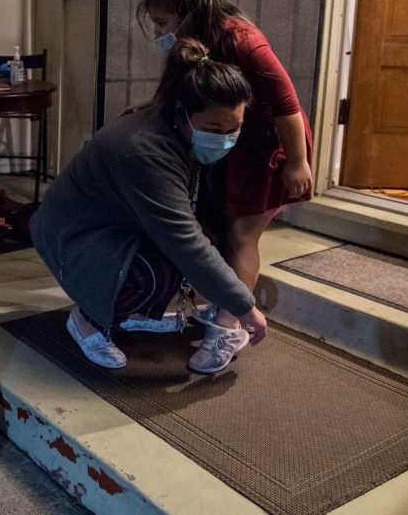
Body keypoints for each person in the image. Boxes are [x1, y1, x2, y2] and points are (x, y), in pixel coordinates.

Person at [30, 39, 267, 372]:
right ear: (183, 114)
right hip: (73, 235)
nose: (225, 138)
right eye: (215, 129)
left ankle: (126, 311)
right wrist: (244, 306)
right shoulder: (144, 151)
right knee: (154, 274)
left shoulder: (172, 123)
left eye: (235, 129)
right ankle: (87, 320)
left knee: (212, 236)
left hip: (119, 226)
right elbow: (185, 243)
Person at [137, 0, 312, 335]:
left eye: (162, 21)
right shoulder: (193, 41)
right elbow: (179, 88)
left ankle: (231, 324)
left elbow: (287, 102)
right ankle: (224, 306)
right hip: (230, 141)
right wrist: (148, 110)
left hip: (265, 145)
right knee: (223, 224)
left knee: (241, 234)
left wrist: (297, 162)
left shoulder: (241, 40)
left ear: (187, 14)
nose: (158, 31)